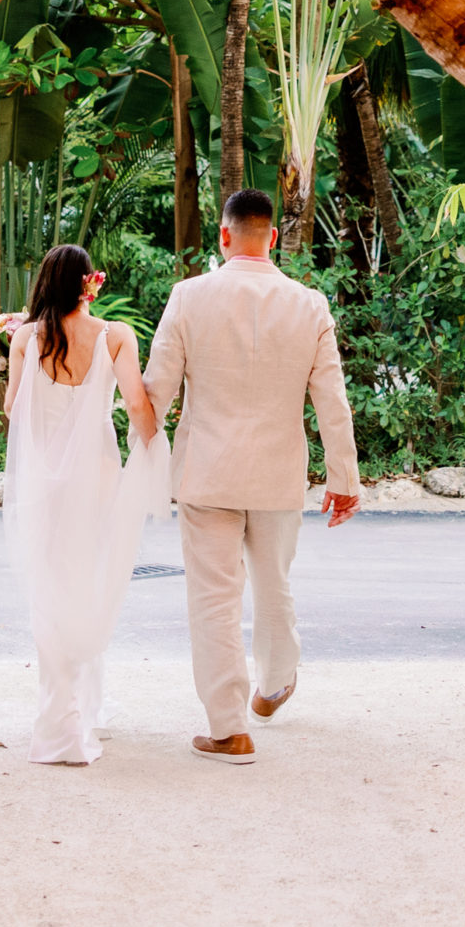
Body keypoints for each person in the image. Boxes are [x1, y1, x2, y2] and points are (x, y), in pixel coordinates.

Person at [142, 188, 360, 764]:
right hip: (276, 474)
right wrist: (345, 478)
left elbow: (155, 392)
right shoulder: (310, 305)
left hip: (206, 474)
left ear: (224, 234)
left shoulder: (189, 297)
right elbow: (332, 401)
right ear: (271, 237)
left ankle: (229, 729)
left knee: (213, 599)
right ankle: (275, 682)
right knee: (273, 582)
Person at [0, 244, 169, 765]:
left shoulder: (26, 338)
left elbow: (12, 410)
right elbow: (137, 406)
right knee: (87, 575)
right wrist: (155, 445)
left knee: (50, 581)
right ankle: (85, 708)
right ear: (88, 284)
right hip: (97, 474)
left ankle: (64, 714)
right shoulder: (115, 336)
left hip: (44, 480)